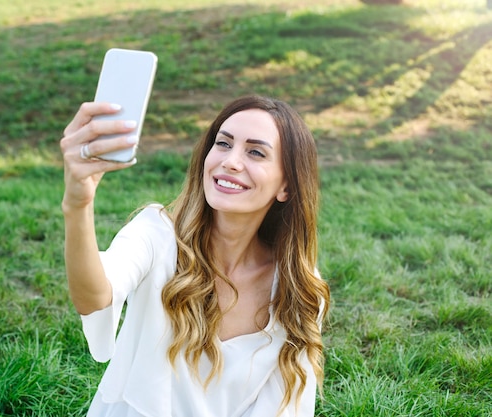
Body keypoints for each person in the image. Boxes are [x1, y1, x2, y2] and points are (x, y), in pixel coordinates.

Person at [60, 95, 330, 417]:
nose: (231, 161)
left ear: (285, 186)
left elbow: (284, 407)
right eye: (223, 143)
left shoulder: (297, 287)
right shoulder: (156, 233)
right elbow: (95, 296)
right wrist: (77, 206)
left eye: (255, 152)